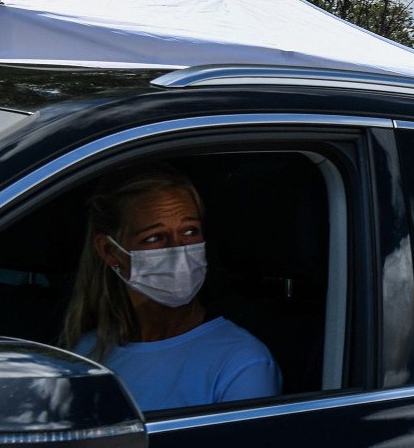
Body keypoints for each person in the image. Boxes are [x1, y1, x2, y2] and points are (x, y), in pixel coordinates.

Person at [60, 164, 281, 412]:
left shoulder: (242, 362)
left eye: (189, 231)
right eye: (154, 237)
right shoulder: (87, 352)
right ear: (111, 252)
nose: (179, 250)